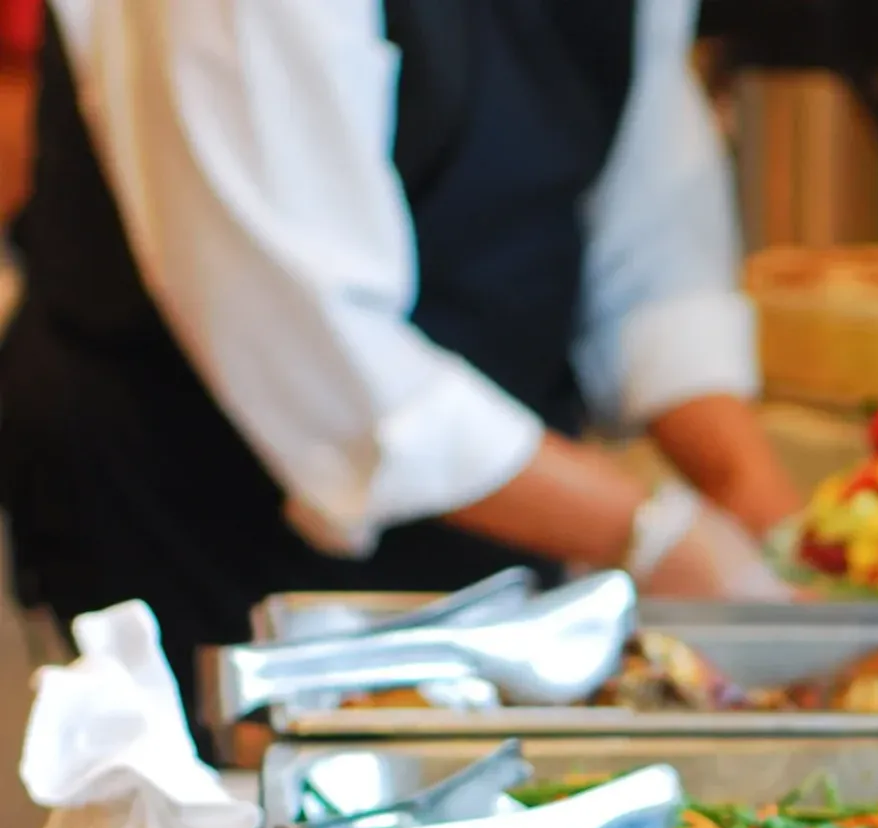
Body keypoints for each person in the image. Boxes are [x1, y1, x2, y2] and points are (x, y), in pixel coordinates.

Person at [0, 0, 802, 695]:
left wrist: (766, 518)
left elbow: (649, 236)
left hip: (488, 519)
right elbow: (312, 348)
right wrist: (650, 533)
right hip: (190, 527)